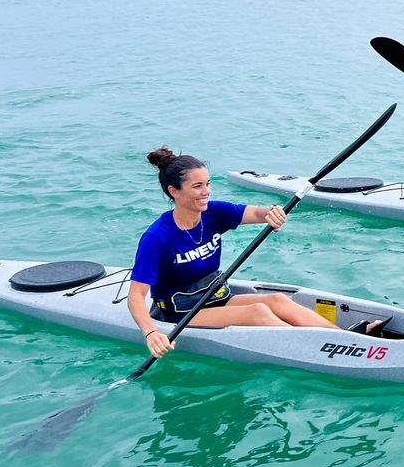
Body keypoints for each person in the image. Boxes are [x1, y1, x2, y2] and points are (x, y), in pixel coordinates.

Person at [129, 147, 379, 357]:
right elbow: (136, 297)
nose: (206, 192)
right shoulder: (158, 237)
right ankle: (323, 351)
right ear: (174, 191)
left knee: (277, 300)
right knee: (258, 312)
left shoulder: (214, 213)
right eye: (197, 186)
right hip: (181, 314)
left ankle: (346, 340)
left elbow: (258, 212)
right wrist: (151, 333)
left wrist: (272, 212)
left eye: (208, 184)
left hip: (216, 297)